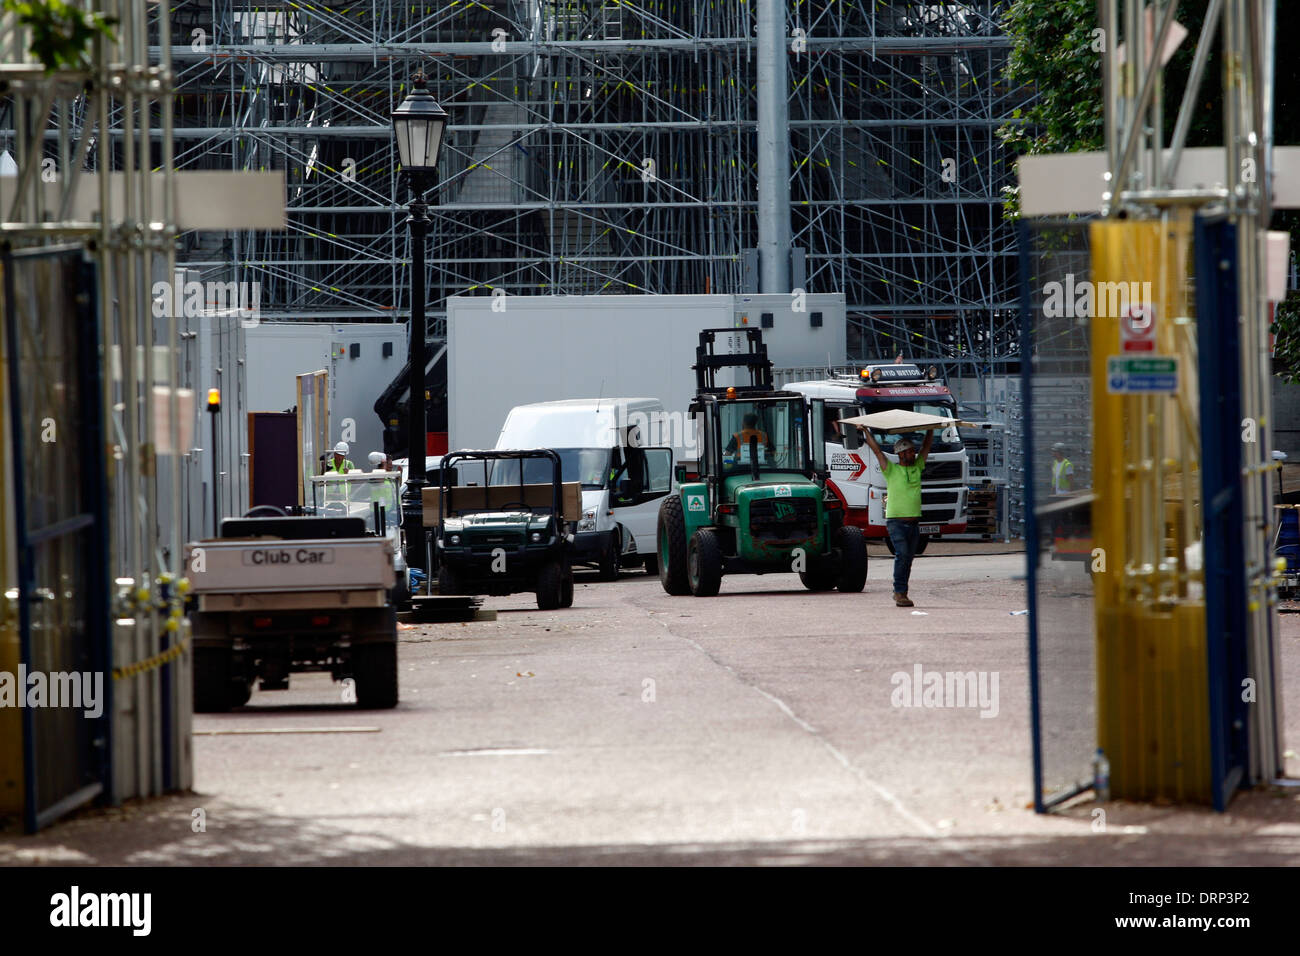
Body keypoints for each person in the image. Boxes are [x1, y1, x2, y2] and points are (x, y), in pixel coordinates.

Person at [858, 426, 934, 607]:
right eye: (909, 451)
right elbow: (876, 450)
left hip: (914, 522)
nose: (913, 454)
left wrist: (931, 429)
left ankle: (902, 592)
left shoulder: (917, 467)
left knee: (908, 558)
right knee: (902, 554)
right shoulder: (890, 470)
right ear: (900, 454)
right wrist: (865, 431)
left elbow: (926, 448)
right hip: (896, 522)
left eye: (913, 451)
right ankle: (899, 592)